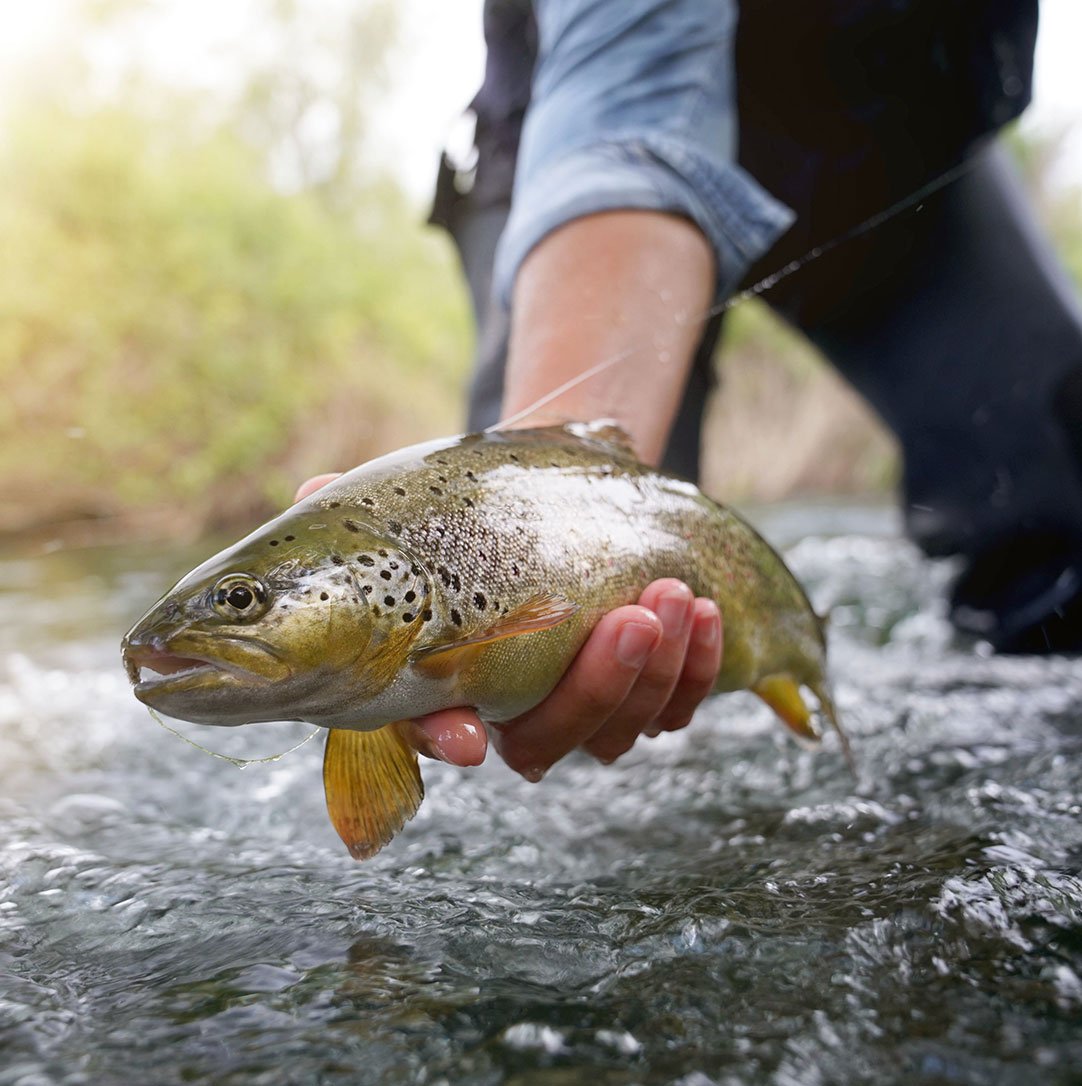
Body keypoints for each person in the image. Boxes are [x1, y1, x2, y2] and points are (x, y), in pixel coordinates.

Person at [303, 0, 1082, 776]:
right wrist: (546, 509)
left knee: (1062, 496)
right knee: (551, 677)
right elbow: (629, 112)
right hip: (585, 139)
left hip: (886, 137)